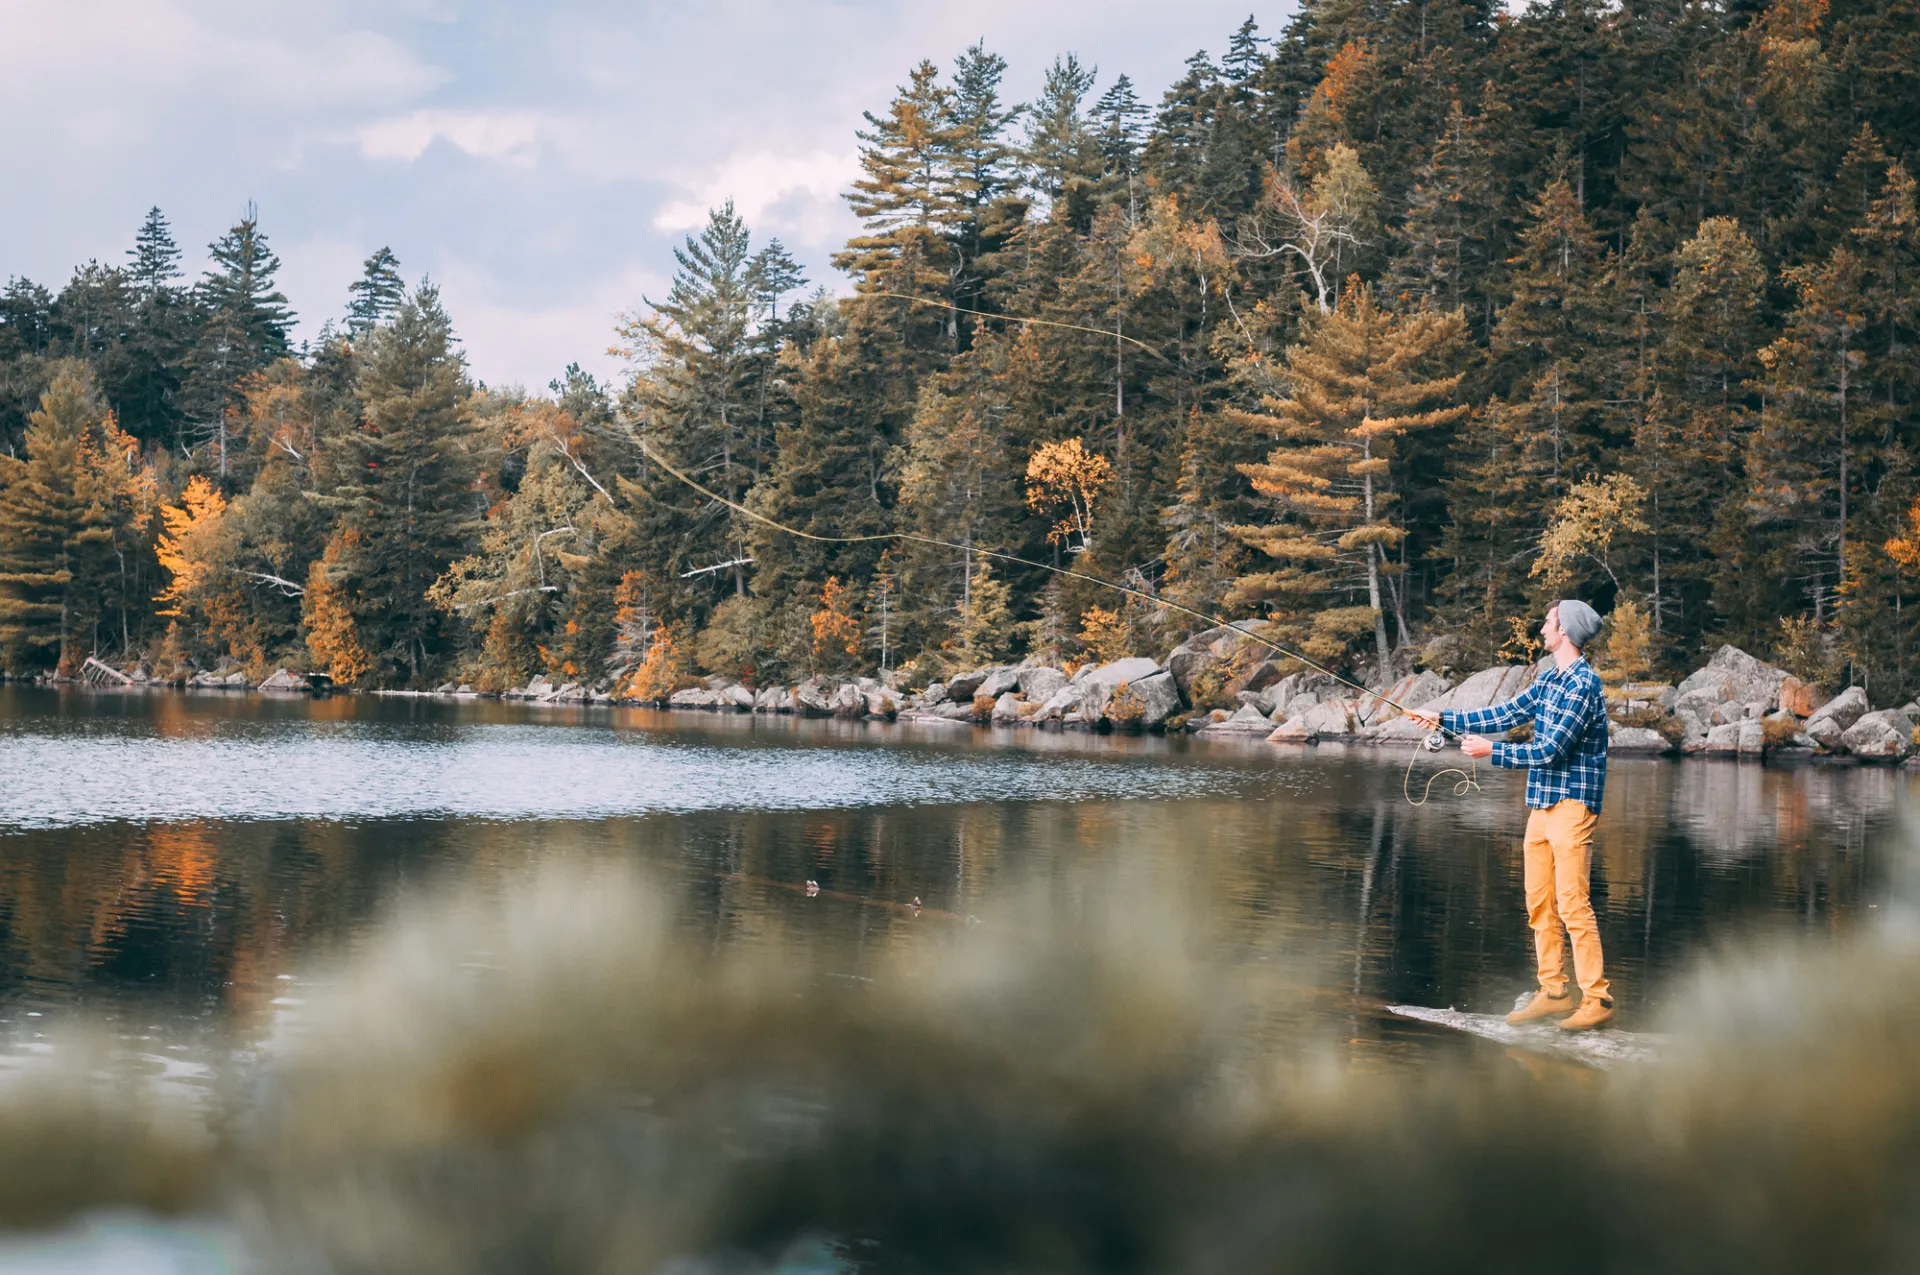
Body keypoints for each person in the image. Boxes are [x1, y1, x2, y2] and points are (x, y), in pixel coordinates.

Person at [1408, 600, 1615, 1031]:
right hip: (1541, 804)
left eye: (1548, 621)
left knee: (1573, 904)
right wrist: (1441, 719)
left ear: (1566, 630)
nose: (1542, 628)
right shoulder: (1550, 678)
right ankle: (1555, 992)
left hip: (1573, 805)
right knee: (1538, 901)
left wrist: (1492, 751)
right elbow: (1504, 713)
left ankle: (1597, 999)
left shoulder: (1583, 685)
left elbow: (1550, 749)